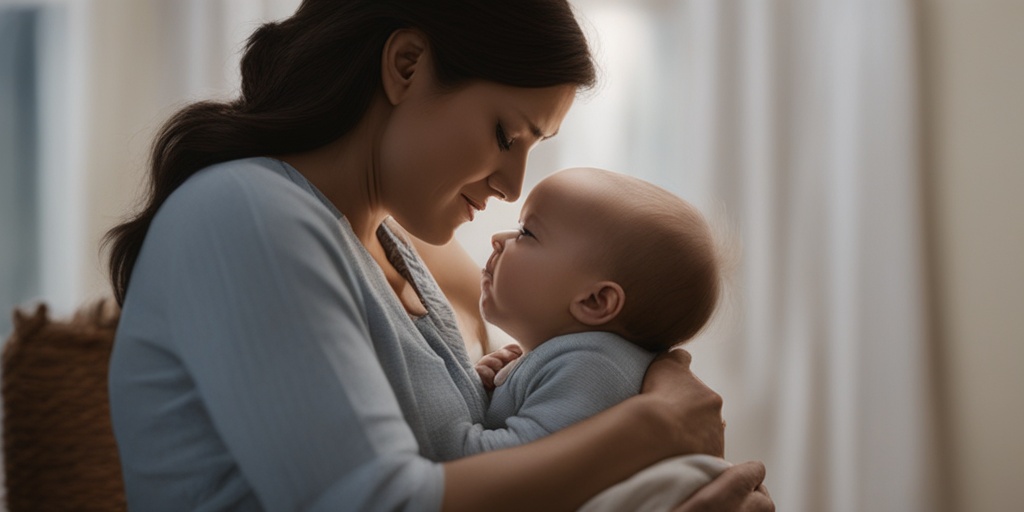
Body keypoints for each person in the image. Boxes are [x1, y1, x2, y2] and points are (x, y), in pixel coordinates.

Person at [104, 1, 773, 511]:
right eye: (506, 134)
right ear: (406, 67)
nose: (513, 186)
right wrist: (650, 429)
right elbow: (377, 501)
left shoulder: (400, 250)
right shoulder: (242, 212)